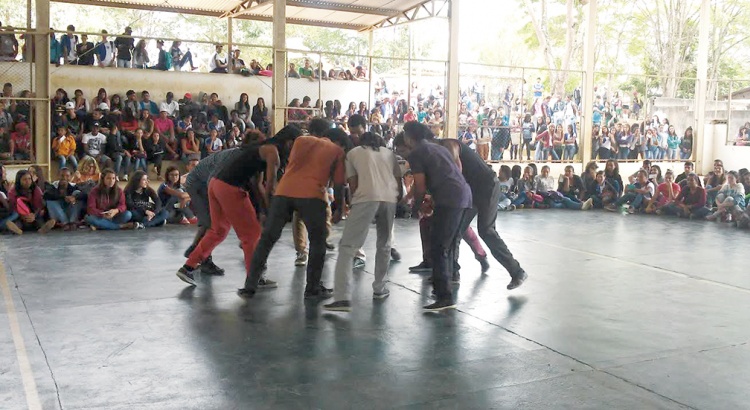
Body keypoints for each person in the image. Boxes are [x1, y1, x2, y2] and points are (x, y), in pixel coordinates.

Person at [177, 125, 302, 287]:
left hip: (215, 185)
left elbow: (258, 184)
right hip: (230, 187)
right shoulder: (273, 153)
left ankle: (188, 267)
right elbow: (270, 187)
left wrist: (265, 211)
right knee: (252, 235)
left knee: (219, 231)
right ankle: (255, 278)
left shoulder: (261, 148)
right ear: (290, 143)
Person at [237, 125, 347, 300]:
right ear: (339, 142)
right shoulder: (337, 151)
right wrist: (340, 208)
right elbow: (340, 184)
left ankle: (249, 286)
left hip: (284, 192)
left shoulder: (301, 140)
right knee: (318, 242)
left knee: (267, 239)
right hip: (313, 195)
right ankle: (312, 289)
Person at [433, 128, 529, 290]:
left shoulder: (448, 144)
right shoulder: (437, 152)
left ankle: (517, 271)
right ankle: (452, 273)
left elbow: (456, 172)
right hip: (472, 190)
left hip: (487, 186)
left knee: (486, 230)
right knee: (458, 229)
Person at [393, 125, 474, 312]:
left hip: (449, 198)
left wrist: (414, 208)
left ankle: (445, 296)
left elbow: (420, 186)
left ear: (408, 137)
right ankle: (442, 290)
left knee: (438, 247)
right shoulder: (437, 148)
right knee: (443, 244)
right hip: (462, 195)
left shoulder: (417, 154)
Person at [323, 132, 402, 312]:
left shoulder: (354, 153)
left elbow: (353, 184)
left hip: (366, 197)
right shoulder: (389, 153)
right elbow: (398, 181)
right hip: (390, 199)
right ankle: (380, 288)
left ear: (361, 141)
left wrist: (354, 205)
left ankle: (342, 297)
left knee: (348, 246)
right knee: (385, 243)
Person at [4, 170, 55, 235]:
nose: (28, 181)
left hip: (34, 215)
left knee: (39, 220)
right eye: (24, 179)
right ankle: (17, 230)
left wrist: (34, 215)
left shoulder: (36, 189)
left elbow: (39, 205)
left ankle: (42, 228)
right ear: (19, 180)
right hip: (20, 215)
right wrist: (22, 216)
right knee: (17, 221)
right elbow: (12, 207)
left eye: (29, 179)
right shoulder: (13, 191)